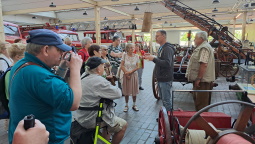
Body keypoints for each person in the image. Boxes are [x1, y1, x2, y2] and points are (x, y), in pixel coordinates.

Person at [8, 29, 83, 144]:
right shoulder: (40, 76)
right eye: (59, 50)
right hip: (48, 138)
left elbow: (49, 88)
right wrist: (76, 69)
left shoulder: (23, 64)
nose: (61, 54)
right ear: (46, 50)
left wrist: (63, 67)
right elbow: (73, 103)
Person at [76, 57, 127, 144]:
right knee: (123, 125)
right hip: (92, 119)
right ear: (98, 69)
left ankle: (104, 141)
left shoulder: (83, 75)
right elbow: (118, 93)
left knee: (108, 124)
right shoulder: (99, 81)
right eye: (103, 66)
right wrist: (110, 82)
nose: (104, 68)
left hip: (81, 116)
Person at [144, 30, 175, 111]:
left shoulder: (167, 48)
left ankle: (169, 120)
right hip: (161, 77)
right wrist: (152, 56)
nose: (156, 38)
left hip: (165, 78)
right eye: (155, 36)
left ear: (163, 36)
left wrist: (153, 59)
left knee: (166, 101)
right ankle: (164, 118)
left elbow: (167, 63)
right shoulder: (162, 48)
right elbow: (161, 59)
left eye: (157, 36)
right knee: (163, 99)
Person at [185, 31, 215, 111]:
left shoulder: (204, 48)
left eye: (195, 38)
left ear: (201, 39)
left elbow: (203, 64)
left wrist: (198, 78)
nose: (194, 40)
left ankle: (201, 121)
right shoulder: (202, 47)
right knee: (200, 103)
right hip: (202, 81)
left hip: (202, 82)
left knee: (201, 105)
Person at [121, 43, 140, 112]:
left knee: (134, 90)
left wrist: (130, 72)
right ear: (127, 49)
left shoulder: (136, 56)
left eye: (133, 47)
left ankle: (134, 104)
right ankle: (126, 105)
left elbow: (138, 66)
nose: (132, 49)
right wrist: (126, 73)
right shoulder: (124, 55)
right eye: (131, 48)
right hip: (126, 75)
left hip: (133, 75)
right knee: (126, 91)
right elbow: (122, 65)